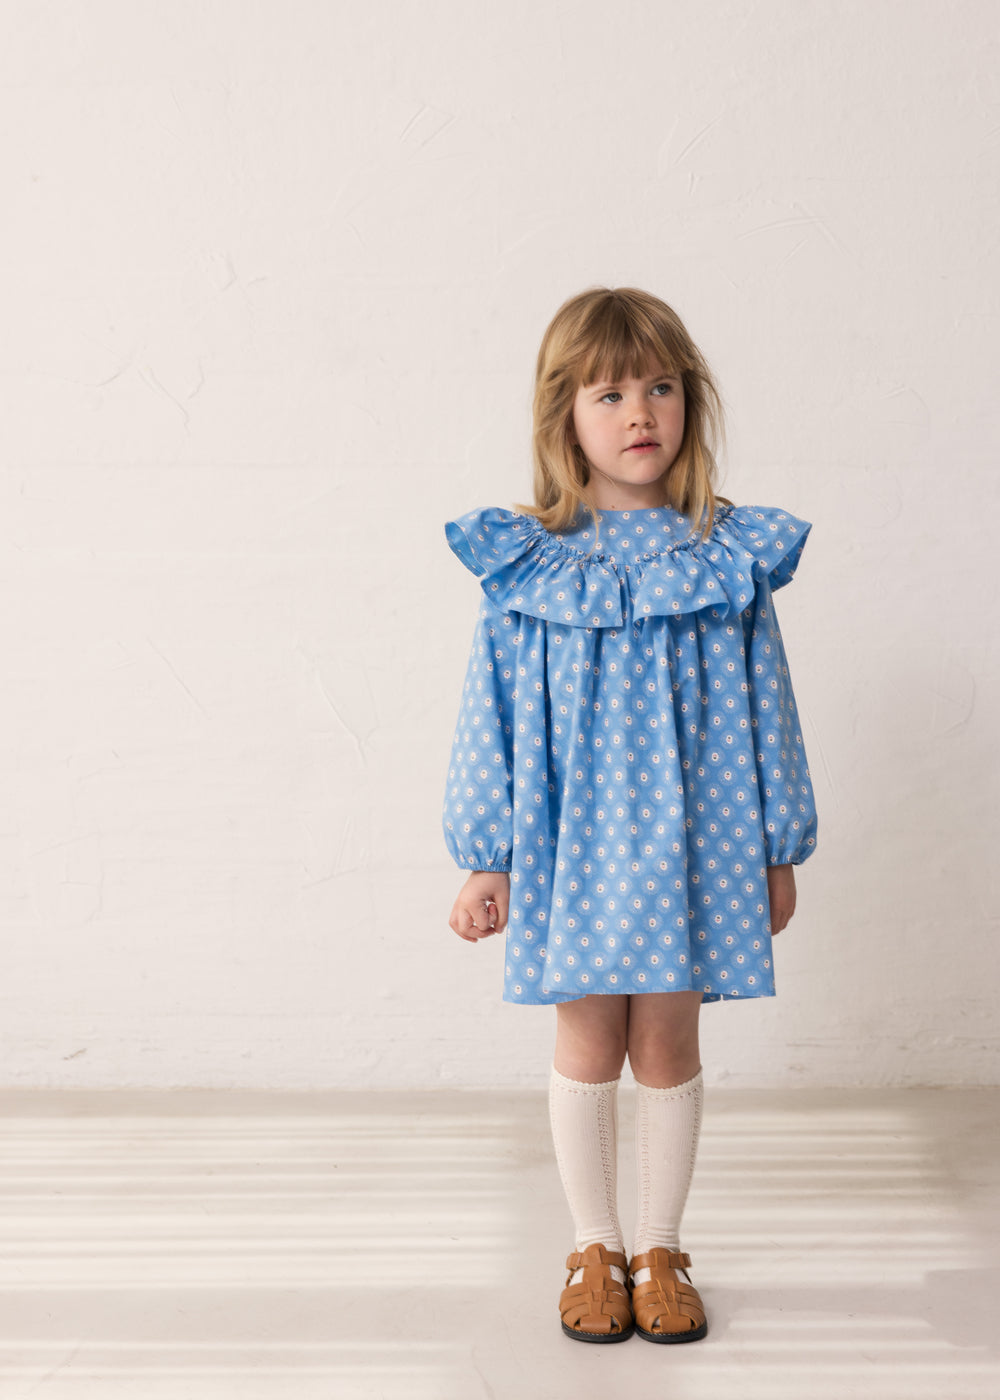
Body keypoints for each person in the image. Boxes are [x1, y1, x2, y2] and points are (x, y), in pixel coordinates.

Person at [442, 286, 818, 1345]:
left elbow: (769, 709)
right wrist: (486, 855)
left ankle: (659, 1244)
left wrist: (779, 845)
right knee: (585, 1035)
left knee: (667, 1035)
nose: (638, 411)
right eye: (609, 392)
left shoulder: (724, 557)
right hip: (571, 841)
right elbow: (493, 712)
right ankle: (592, 1242)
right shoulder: (530, 563)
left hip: (696, 842)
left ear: (688, 401)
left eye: (659, 386)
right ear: (566, 415)